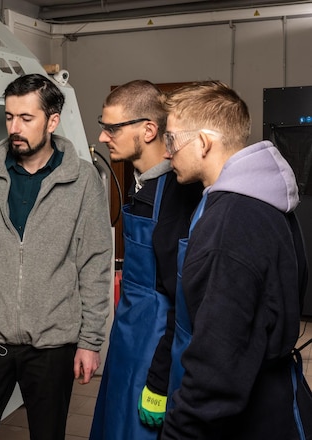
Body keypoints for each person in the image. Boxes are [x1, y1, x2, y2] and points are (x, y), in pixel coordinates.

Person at [0, 73, 113, 440]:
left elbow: (95, 263)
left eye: (26, 118)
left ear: (52, 121)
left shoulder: (81, 179)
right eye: (9, 117)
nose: (14, 127)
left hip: (52, 343)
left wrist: (90, 341)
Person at [161, 80, 312, 439]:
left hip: (253, 417)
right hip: (277, 396)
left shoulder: (231, 223)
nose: (167, 152)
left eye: (171, 140)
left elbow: (217, 369)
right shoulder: (264, 198)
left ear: (203, 142)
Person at [89, 80, 203, 440]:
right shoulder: (142, 186)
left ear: (149, 130)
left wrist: (158, 379)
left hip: (154, 346)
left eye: (112, 127)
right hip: (127, 336)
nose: (104, 137)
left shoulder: (178, 196)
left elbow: (184, 302)